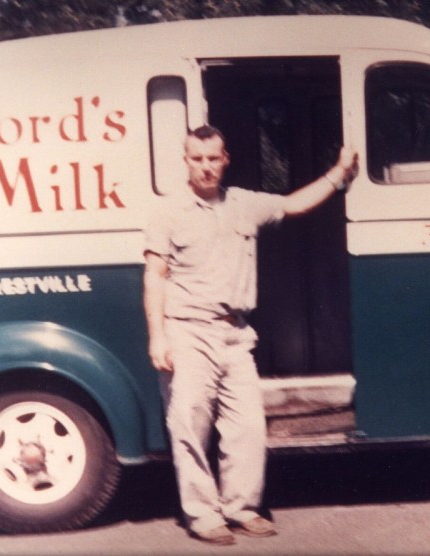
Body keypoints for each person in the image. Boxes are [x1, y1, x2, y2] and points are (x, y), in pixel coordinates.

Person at [143, 125, 358, 545]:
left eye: (213, 158)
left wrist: (339, 171)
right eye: (197, 159)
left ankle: (240, 507)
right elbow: (155, 277)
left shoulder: (244, 204)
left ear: (225, 160)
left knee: (247, 426)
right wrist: (158, 337)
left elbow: (295, 204)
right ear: (185, 161)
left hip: (236, 334)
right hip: (188, 331)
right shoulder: (167, 213)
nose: (205, 167)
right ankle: (202, 515)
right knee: (189, 422)